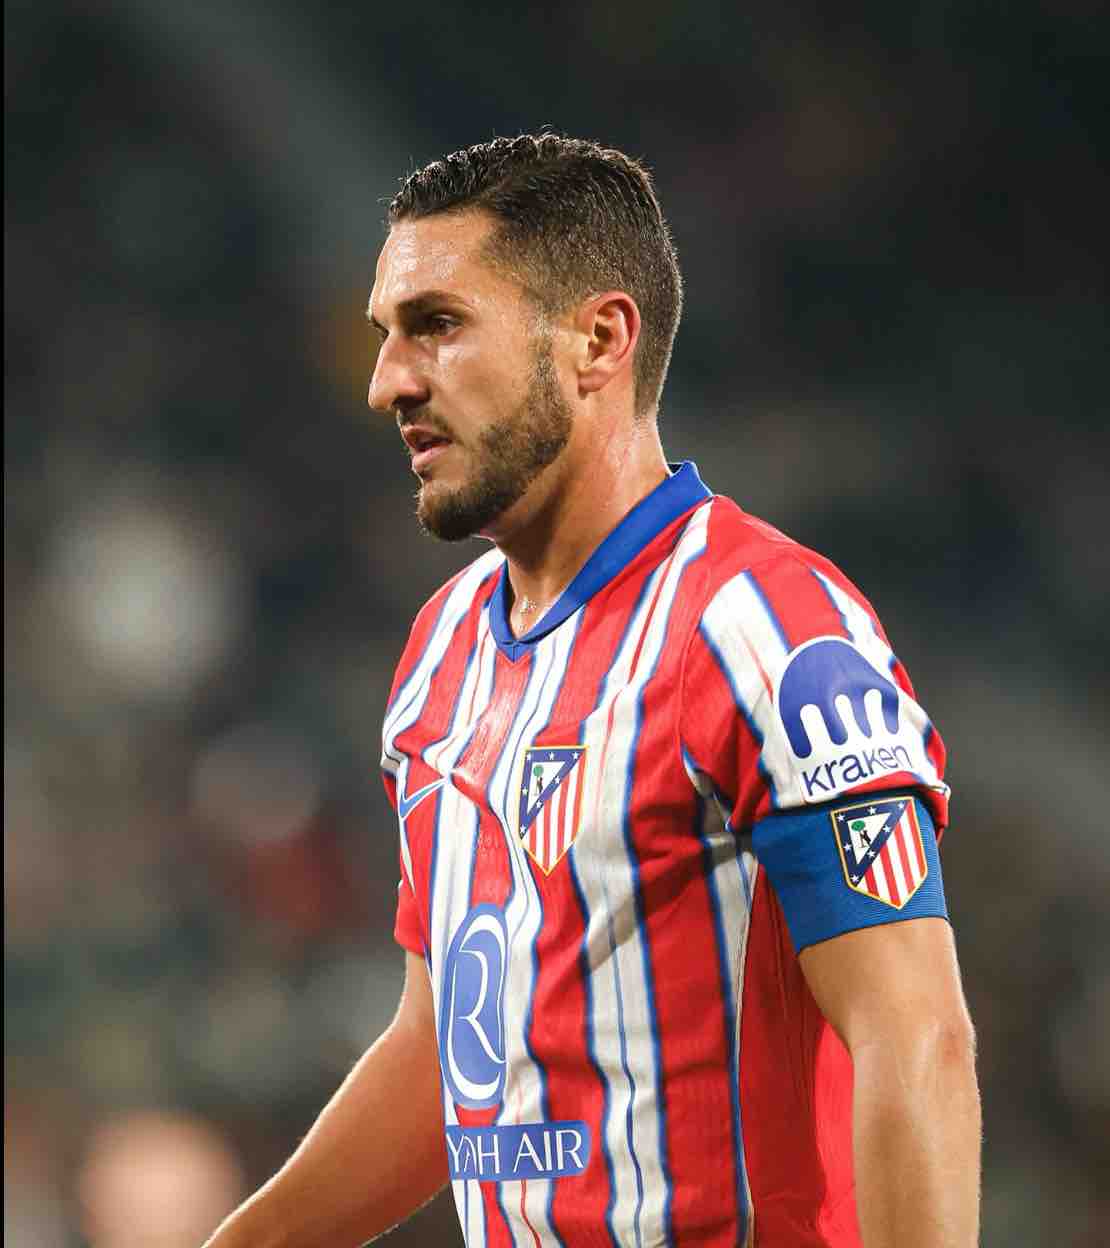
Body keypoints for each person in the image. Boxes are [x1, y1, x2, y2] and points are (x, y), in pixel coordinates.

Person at [205, 134, 980, 1248]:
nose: (389, 383)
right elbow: (443, 1057)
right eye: (386, 336)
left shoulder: (766, 630)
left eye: (437, 324)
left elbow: (917, 1041)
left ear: (599, 341)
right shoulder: (440, 652)